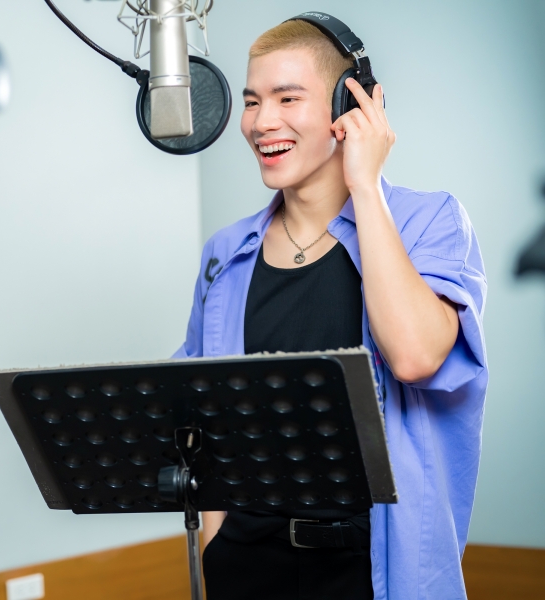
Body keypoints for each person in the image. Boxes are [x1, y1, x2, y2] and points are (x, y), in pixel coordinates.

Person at [173, 17, 487, 600]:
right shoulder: (226, 251)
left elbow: (415, 357)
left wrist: (365, 185)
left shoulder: (430, 222)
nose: (261, 122)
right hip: (245, 561)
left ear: (350, 106)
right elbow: (204, 418)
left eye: (287, 98)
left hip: (370, 569)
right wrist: (215, 545)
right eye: (252, 101)